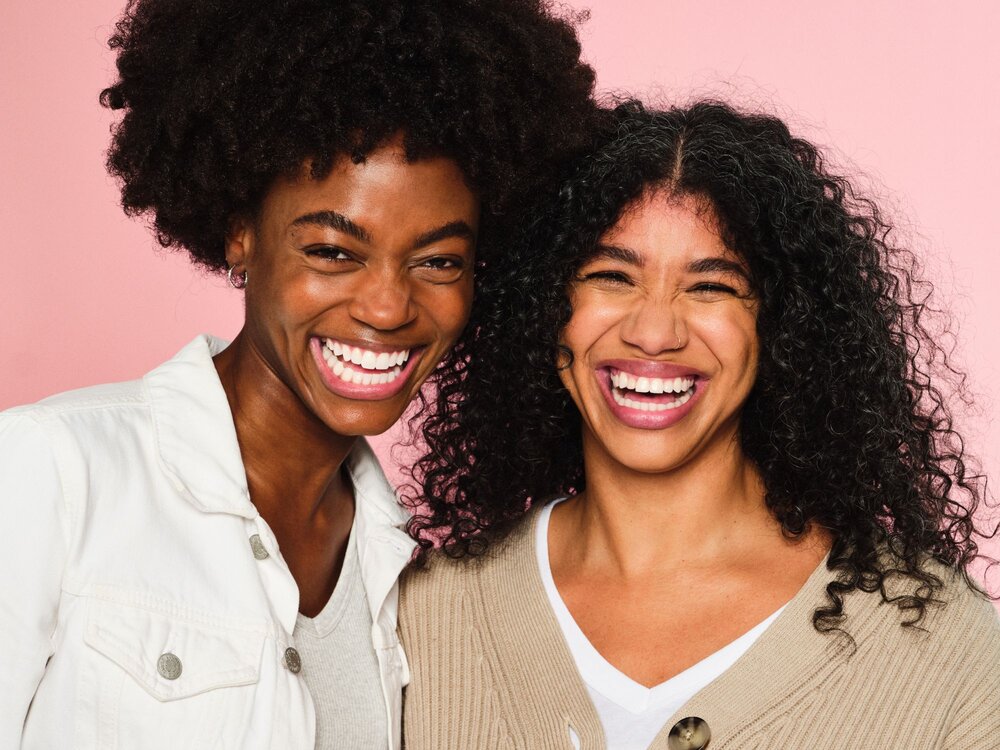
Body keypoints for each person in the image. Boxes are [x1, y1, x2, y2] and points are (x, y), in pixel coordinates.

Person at [0, 1, 600, 748]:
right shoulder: (52, 474)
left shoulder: (405, 568)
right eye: (332, 252)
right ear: (240, 234)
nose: (387, 307)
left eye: (439, 261)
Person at [399, 101, 1000, 749]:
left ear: (781, 328)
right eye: (611, 277)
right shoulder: (420, 617)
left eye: (711, 287)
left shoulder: (942, 650)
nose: (654, 332)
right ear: (546, 309)